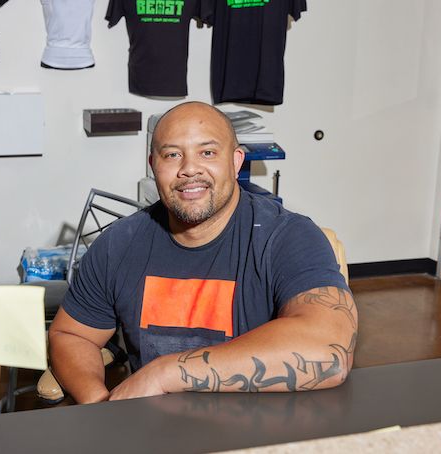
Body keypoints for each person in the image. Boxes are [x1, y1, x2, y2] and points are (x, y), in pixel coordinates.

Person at [48, 102, 356, 404]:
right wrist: (97, 402)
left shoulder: (287, 236)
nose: (190, 169)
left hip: (258, 431)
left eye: (207, 152)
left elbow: (329, 351)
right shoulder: (118, 244)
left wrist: (163, 374)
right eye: (172, 155)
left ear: (236, 162)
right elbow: (72, 336)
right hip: (153, 431)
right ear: (154, 166)